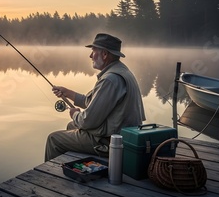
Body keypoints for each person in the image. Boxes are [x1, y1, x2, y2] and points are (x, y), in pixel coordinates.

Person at [45, 33, 145, 161]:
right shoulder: (121, 71)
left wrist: (75, 114)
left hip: (111, 143)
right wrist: (67, 92)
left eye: (93, 51)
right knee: (72, 126)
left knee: (53, 139)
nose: (90, 56)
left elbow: (87, 121)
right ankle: (75, 167)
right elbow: (91, 102)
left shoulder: (110, 80)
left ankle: (50, 175)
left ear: (104, 54)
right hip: (123, 136)